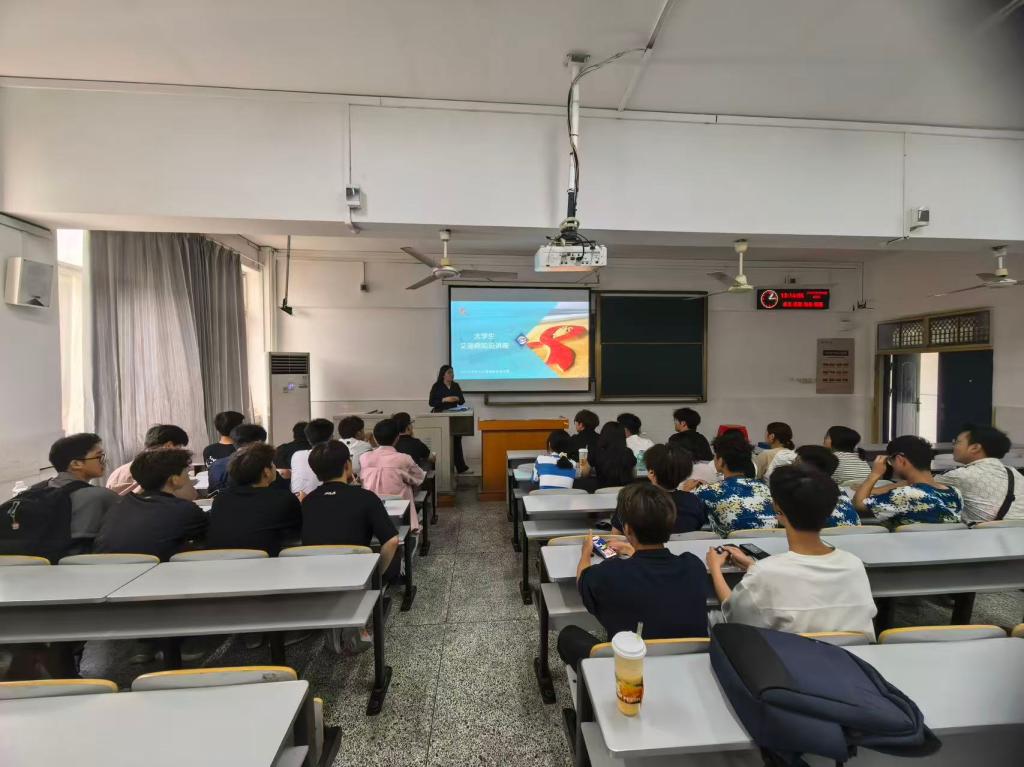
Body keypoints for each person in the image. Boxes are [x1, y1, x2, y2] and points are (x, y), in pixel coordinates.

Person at [706, 464, 877, 640]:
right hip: (852, 654)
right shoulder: (854, 564)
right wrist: (753, 566)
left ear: (777, 507)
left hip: (789, 656)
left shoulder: (765, 573)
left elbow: (733, 615)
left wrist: (715, 569)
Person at [556, 483, 709, 672]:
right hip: (690, 668)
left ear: (627, 530)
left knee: (568, 635)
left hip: (632, 671)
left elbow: (582, 580)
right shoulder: (694, 566)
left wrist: (586, 552)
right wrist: (632, 550)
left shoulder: (609, 574)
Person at [301, 440, 400, 579]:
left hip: (315, 578)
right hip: (356, 577)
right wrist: (376, 577)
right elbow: (392, 541)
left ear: (315, 472)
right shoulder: (366, 497)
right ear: (347, 465)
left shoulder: (308, 501)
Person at [94, 448, 208, 561]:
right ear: (175, 480)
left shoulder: (119, 505)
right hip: (153, 569)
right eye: (186, 473)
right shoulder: (184, 510)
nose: (188, 477)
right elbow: (211, 537)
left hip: (106, 568)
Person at [206, 443, 301, 556]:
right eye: (272, 463)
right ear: (266, 472)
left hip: (221, 562)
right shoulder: (283, 499)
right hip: (266, 562)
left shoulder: (221, 499)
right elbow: (297, 528)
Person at [852, 436, 963, 527]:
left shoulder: (904, 494)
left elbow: (859, 504)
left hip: (906, 546)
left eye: (891, 461)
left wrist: (874, 474)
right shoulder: (955, 493)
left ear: (900, 460)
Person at [688, 432, 775, 538]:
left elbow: (687, 513)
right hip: (772, 544)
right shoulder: (765, 488)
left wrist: (686, 492)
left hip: (733, 546)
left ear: (721, 461)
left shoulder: (708, 491)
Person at [933, 424, 1024, 523]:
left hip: (985, 532)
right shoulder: (1015, 473)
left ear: (975, 447)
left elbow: (923, 485)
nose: (954, 446)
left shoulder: (961, 475)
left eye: (957, 442)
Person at [611, 444, 706, 535]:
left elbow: (616, 536)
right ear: (684, 474)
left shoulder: (631, 500)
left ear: (651, 472)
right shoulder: (694, 501)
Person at [46, 433, 119, 550]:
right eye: (99, 457)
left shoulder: (35, 490)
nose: (104, 461)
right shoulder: (101, 496)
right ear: (76, 464)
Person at [360, 419, 426, 525]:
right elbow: (420, 477)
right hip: (400, 512)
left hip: (371, 510)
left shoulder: (364, 458)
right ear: (397, 438)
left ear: (375, 438)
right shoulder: (404, 459)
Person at [107, 424, 190, 496]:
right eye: (180, 447)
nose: (182, 452)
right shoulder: (165, 473)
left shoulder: (117, 473)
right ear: (169, 446)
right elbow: (190, 496)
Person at [792, 445, 861, 527]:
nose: (792, 464)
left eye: (795, 460)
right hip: (854, 534)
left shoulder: (800, 491)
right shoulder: (839, 490)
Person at [428, 364, 469, 474]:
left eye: (453, 372)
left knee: (457, 441)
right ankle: (438, 467)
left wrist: (457, 398)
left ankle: (461, 467)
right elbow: (431, 402)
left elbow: (462, 401)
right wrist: (444, 399)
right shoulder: (437, 386)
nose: (452, 375)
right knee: (441, 442)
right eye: (449, 372)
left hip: (454, 417)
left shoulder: (455, 385)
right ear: (443, 374)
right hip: (440, 416)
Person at [576, 421, 637, 491]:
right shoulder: (628, 452)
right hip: (625, 491)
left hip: (603, 490)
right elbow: (633, 473)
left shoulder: (597, 451)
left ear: (604, 434)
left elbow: (584, 473)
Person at [207, 424, 268, 493]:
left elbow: (213, 492)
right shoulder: (264, 464)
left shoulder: (217, 465)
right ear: (259, 443)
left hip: (223, 499)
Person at [290, 418, 335, 497]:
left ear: (308, 439)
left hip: (297, 500)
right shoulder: (333, 456)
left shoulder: (296, 455)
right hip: (322, 499)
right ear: (331, 437)